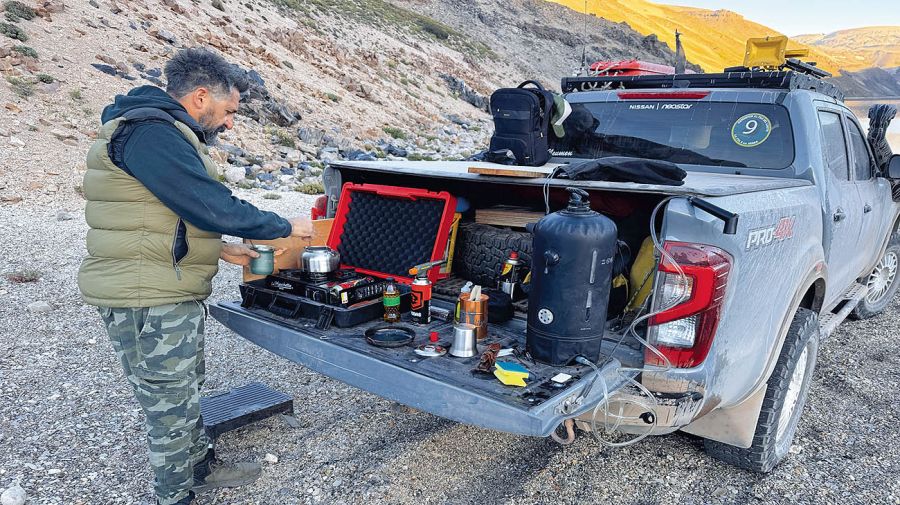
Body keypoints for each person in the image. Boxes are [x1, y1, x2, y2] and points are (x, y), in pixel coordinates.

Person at [77, 47, 313, 505]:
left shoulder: (158, 132)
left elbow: (163, 213)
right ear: (201, 97)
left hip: (161, 286)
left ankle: (199, 468)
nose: (229, 123)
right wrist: (284, 226)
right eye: (228, 111)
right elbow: (205, 203)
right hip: (148, 294)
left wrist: (221, 248)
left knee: (185, 388)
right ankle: (175, 495)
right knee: (169, 401)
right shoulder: (151, 134)